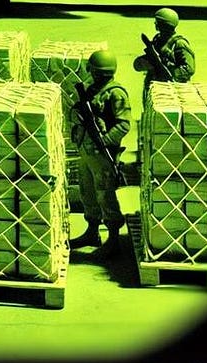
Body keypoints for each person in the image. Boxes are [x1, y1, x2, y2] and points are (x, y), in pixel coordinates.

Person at [70, 50, 131, 259]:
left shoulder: (116, 93)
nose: (97, 76)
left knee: (106, 195)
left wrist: (104, 141)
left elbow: (124, 125)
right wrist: (78, 116)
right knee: (87, 192)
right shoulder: (90, 90)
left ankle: (113, 239)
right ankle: (92, 231)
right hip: (86, 151)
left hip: (103, 155)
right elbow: (75, 112)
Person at [133, 7, 195, 103]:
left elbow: (189, 69)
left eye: (158, 22)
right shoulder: (158, 39)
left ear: (164, 24)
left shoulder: (179, 44)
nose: (155, 24)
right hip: (155, 85)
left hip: (173, 90)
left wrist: (168, 69)